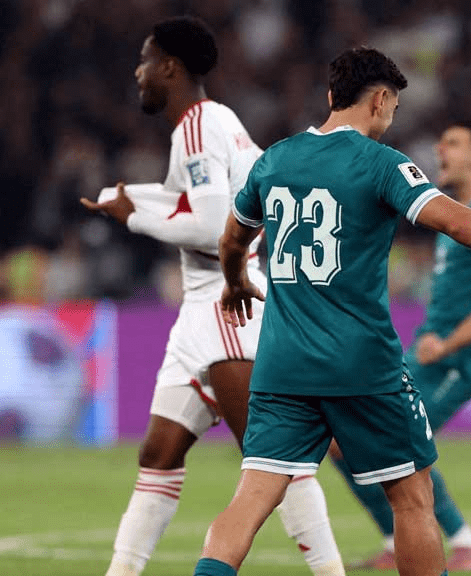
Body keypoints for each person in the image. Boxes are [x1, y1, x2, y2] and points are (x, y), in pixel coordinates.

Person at [192, 47, 471, 576]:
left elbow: (232, 238)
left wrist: (235, 281)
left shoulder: (274, 160)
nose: (391, 117)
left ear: (332, 95)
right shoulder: (380, 164)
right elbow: (454, 220)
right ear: (380, 99)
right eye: (394, 107)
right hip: (361, 366)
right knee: (411, 496)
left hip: (282, 366)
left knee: (250, 499)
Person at [80, 16, 344, 576]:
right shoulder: (214, 123)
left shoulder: (198, 126)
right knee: (159, 453)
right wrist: (131, 197)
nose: (138, 72)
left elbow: (211, 224)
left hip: (229, 302)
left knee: (271, 457)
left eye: (146, 60)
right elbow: (191, 200)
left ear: (171, 67)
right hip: (204, 309)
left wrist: (134, 220)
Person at [329, 120, 471, 571]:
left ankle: (467, 543)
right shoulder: (454, 213)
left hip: (457, 359)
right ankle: (391, 538)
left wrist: (447, 345)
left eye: (453, 142)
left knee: (401, 443)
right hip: (426, 352)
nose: (439, 148)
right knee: (342, 440)